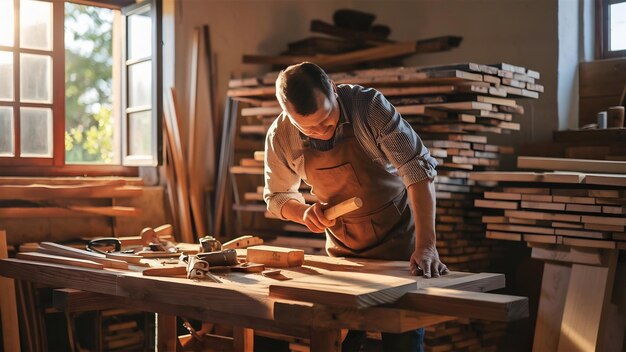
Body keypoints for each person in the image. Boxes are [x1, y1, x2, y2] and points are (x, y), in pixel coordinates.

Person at [263, 62, 448, 351]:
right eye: (307, 127)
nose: (321, 131)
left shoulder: (369, 108)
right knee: (339, 341)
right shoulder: (281, 135)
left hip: (397, 244)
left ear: (334, 90)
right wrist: (303, 213)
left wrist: (426, 246)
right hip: (343, 253)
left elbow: (417, 170)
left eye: (326, 120)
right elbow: (276, 197)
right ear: (288, 114)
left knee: (402, 342)